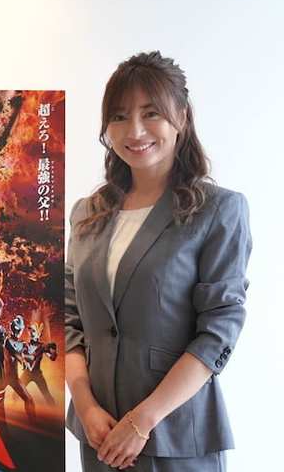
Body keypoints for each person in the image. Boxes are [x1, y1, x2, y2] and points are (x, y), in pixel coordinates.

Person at [64, 51, 252, 471]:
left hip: (175, 437)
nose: (134, 130)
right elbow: (69, 321)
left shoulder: (218, 210)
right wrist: (86, 406)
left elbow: (218, 331)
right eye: (119, 116)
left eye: (151, 113)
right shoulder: (86, 213)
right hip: (99, 435)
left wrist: (143, 420)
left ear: (180, 117)